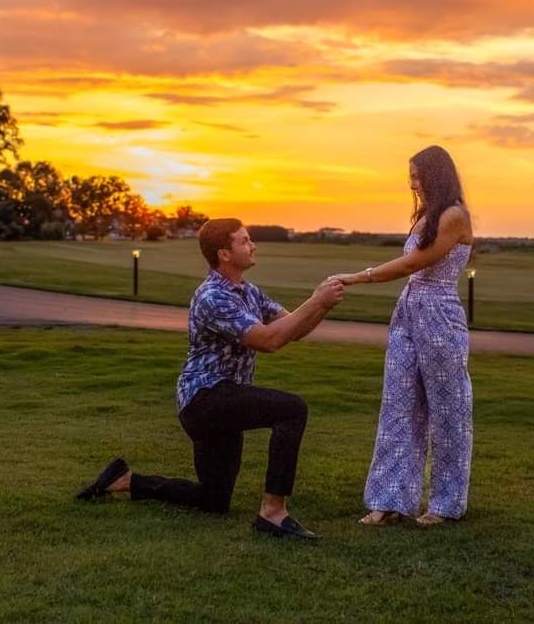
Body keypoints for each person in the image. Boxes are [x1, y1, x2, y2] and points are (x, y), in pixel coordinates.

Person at [76, 219, 344, 540]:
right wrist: (316, 300)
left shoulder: (248, 291)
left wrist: (323, 304)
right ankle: (273, 514)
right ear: (225, 254)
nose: (253, 245)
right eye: (245, 241)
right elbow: (268, 341)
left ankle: (126, 481)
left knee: (213, 500)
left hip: (223, 401)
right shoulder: (213, 297)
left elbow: (292, 330)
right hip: (205, 399)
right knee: (292, 409)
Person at [331, 145, 474, 527]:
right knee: (398, 406)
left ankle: (446, 504)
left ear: (436, 175)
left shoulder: (454, 215)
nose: (411, 183)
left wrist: (359, 276)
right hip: (408, 311)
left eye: (416, 175)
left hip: (440, 314)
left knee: (447, 410)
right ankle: (390, 500)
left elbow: (416, 262)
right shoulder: (425, 215)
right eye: (410, 176)